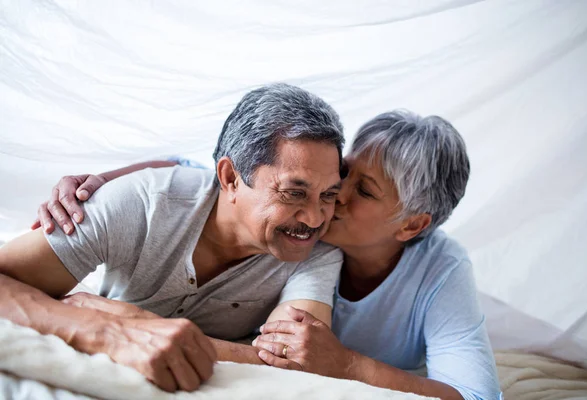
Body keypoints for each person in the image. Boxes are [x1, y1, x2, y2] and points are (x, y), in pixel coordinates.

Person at [39, 109, 502, 399]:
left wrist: (348, 366)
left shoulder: (441, 270)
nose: (332, 197)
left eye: (362, 191)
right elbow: (211, 176)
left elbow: (477, 396)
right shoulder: (307, 220)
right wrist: (96, 183)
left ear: (413, 224)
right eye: (343, 175)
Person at [0, 83, 346, 393]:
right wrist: (102, 329)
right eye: (293, 193)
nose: (315, 219)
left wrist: (134, 321)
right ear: (230, 178)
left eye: (329, 195)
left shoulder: (317, 251)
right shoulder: (139, 203)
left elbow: (293, 362)